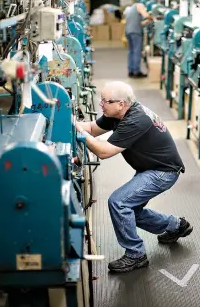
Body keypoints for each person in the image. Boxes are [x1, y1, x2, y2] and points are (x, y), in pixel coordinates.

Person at [73, 81, 193, 273]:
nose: (101, 104)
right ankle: (176, 225)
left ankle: (135, 255)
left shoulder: (135, 120)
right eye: (101, 99)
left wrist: (80, 134)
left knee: (119, 203)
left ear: (121, 103)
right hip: (150, 168)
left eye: (105, 101)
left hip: (163, 172)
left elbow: (104, 152)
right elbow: (93, 128)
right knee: (129, 213)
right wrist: (69, 122)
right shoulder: (116, 114)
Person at [124, 2, 152, 78]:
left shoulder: (131, 9)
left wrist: (146, 22)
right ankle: (136, 72)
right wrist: (152, 17)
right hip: (135, 32)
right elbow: (146, 15)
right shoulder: (140, 5)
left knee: (131, 51)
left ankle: (131, 71)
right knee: (137, 51)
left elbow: (139, 23)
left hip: (128, 31)